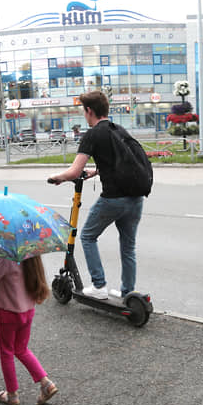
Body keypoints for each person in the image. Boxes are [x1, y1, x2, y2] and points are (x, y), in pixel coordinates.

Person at [48, 91, 144, 299]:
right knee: (128, 246)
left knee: (87, 236)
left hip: (114, 199)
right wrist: (97, 171)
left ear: (89, 110)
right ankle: (128, 292)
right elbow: (122, 161)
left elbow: (74, 172)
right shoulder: (119, 130)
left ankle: (99, 286)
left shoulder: (92, 134)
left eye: (84, 111)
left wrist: (57, 177)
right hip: (136, 198)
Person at [0, 255, 58, 405]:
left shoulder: (4, 258)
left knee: (6, 352)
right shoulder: (30, 254)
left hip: (8, 313)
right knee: (21, 349)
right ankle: (46, 384)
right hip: (27, 310)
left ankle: (12, 394)